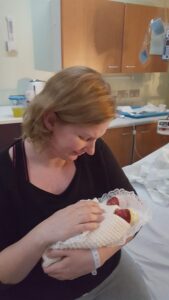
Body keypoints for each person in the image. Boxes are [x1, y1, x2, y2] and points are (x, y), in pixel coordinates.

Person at [0, 66, 151, 300]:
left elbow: (136, 215)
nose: (91, 150)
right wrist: (44, 233)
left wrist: (97, 256)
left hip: (111, 276)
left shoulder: (94, 153)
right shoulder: (6, 174)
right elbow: (4, 274)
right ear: (50, 120)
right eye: (84, 137)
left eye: (96, 139)